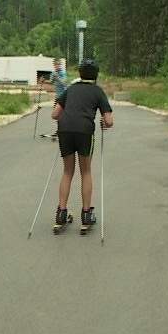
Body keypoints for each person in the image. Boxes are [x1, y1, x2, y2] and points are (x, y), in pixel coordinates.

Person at [50, 59, 113, 228]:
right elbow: (109, 121)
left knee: (67, 171)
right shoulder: (98, 92)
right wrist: (102, 121)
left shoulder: (70, 89)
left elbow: (55, 114)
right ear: (96, 74)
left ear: (80, 73)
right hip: (85, 131)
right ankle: (86, 215)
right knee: (85, 171)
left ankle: (61, 213)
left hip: (65, 130)